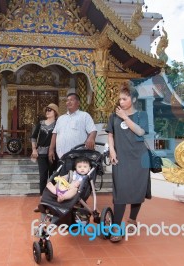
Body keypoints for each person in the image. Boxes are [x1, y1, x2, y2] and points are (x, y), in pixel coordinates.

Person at [105, 82, 150, 242]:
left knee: (137, 190)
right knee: (120, 192)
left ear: (134, 99)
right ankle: (116, 228)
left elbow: (141, 132)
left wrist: (125, 117)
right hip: (121, 157)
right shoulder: (114, 116)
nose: (121, 102)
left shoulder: (141, 115)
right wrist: (112, 150)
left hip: (139, 158)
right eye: (120, 99)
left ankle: (132, 219)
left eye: (124, 99)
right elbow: (110, 134)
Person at [48, 93, 97, 168]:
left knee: (76, 179)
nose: (68, 102)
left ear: (78, 103)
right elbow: (55, 134)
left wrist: (91, 138)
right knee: (63, 178)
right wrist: (51, 150)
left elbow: (93, 130)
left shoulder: (84, 116)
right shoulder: (61, 118)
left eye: (71, 100)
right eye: (67, 100)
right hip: (61, 157)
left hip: (78, 156)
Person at [30, 103, 59, 212]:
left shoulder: (58, 124)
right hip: (41, 153)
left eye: (50, 110)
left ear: (55, 112)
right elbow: (33, 137)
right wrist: (34, 149)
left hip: (53, 153)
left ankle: (52, 202)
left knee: (53, 177)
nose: (47, 111)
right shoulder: (41, 124)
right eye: (46, 110)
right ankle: (42, 202)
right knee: (43, 177)